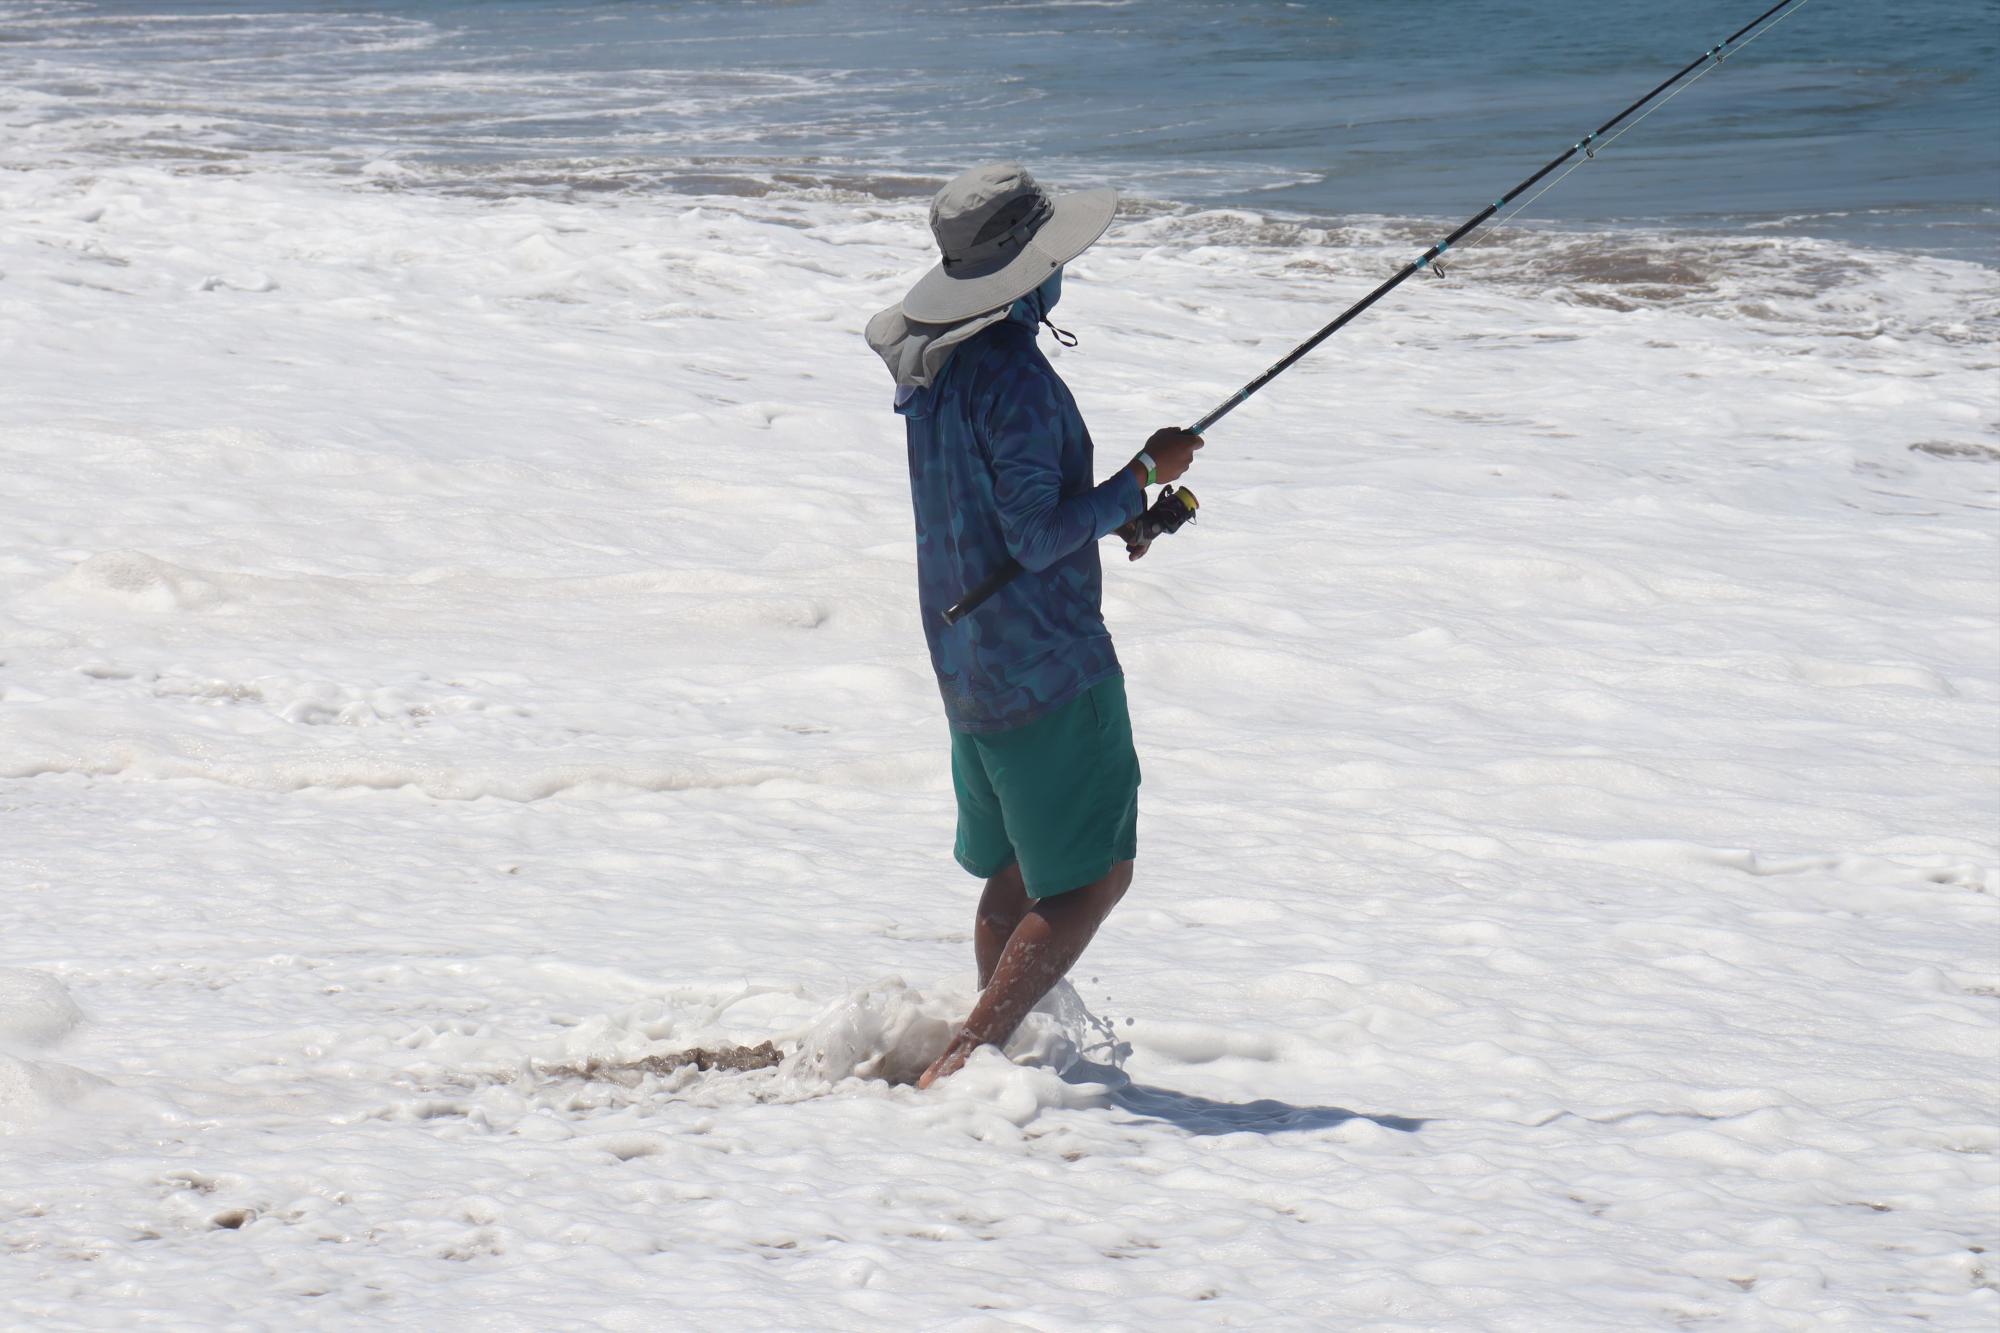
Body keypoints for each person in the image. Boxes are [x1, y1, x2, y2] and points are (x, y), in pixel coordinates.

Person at [864, 162, 1201, 1089]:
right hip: (1047, 663)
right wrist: (1141, 473)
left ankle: (992, 1054)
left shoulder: (931, 366)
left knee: (1012, 870)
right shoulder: (1013, 374)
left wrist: (1119, 516)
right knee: (1094, 875)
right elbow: (1039, 532)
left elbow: (1003, 515)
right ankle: (971, 1055)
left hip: (966, 656)